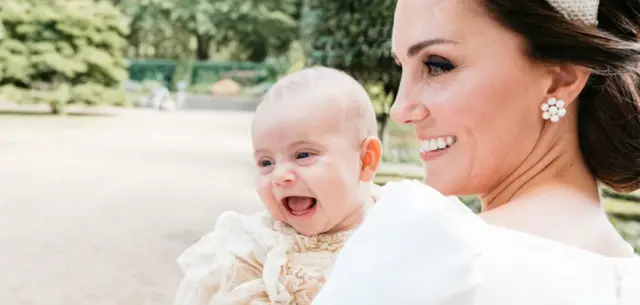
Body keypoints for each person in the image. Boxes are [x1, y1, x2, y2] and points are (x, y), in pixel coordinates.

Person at [311, 0, 640, 304]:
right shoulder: (629, 281)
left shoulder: (430, 247)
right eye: (402, 68)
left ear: (560, 80)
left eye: (437, 65)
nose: (400, 108)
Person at [173, 67, 383, 305]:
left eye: (303, 154)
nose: (280, 175)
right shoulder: (252, 250)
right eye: (266, 162)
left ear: (366, 159)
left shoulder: (398, 227)